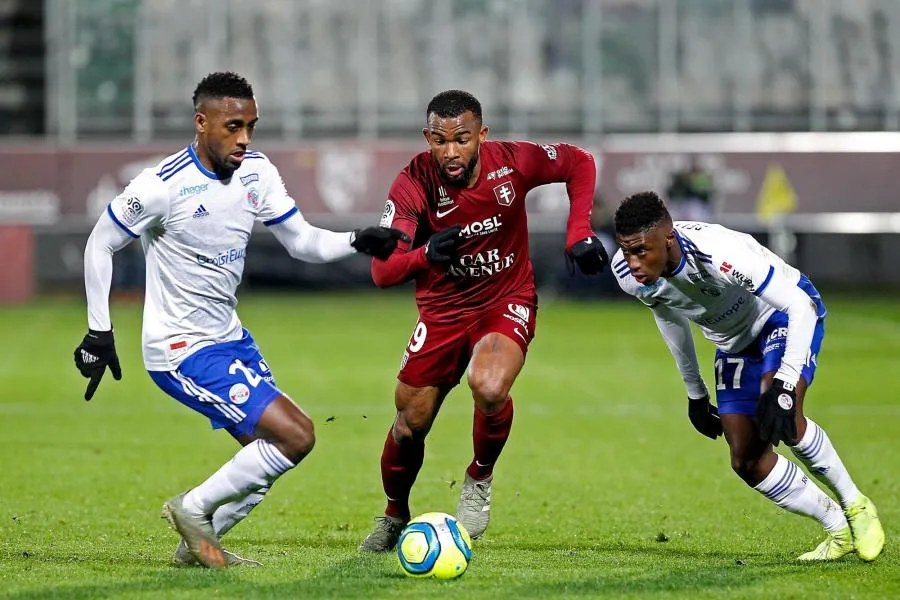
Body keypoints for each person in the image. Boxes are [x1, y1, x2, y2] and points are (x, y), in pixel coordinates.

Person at [72, 72, 407, 568]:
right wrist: (100, 329)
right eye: (233, 127)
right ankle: (192, 509)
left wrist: (355, 240)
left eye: (251, 126)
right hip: (181, 349)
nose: (244, 138)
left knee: (267, 460)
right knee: (297, 434)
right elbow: (101, 240)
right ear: (201, 123)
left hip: (231, 340)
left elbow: (301, 241)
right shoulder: (162, 186)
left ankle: (197, 550)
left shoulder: (257, 172)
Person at [358, 90, 609, 551]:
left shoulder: (511, 161)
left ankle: (478, 479)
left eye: (461, 139)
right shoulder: (412, 182)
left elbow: (579, 162)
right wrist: (424, 254)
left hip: (505, 298)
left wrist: (579, 232)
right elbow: (381, 271)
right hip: (442, 311)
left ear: (482, 136)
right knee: (409, 422)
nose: (450, 152)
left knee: (489, 385)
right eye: (439, 140)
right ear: (427, 138)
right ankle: (395, 514)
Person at [610, 191, 884, 562]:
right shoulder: (628, 273)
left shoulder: (720, 254)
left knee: (782, 412)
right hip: (733, 342)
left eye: (641, 250)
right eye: (626, 250)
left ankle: (856, 506)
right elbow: (669, 316)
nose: (633, 262)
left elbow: (797, 305)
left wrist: (786, 383)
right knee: (746, 460)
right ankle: (837, 527)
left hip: (780, 315)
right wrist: (695, 394)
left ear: (668, 238)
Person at [666, 157, 714, 222]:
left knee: (696, 215)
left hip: (697, 205)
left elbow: (705, 195)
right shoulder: (679, 186)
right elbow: (671, 194)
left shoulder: (700, 180)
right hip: (684, 205)